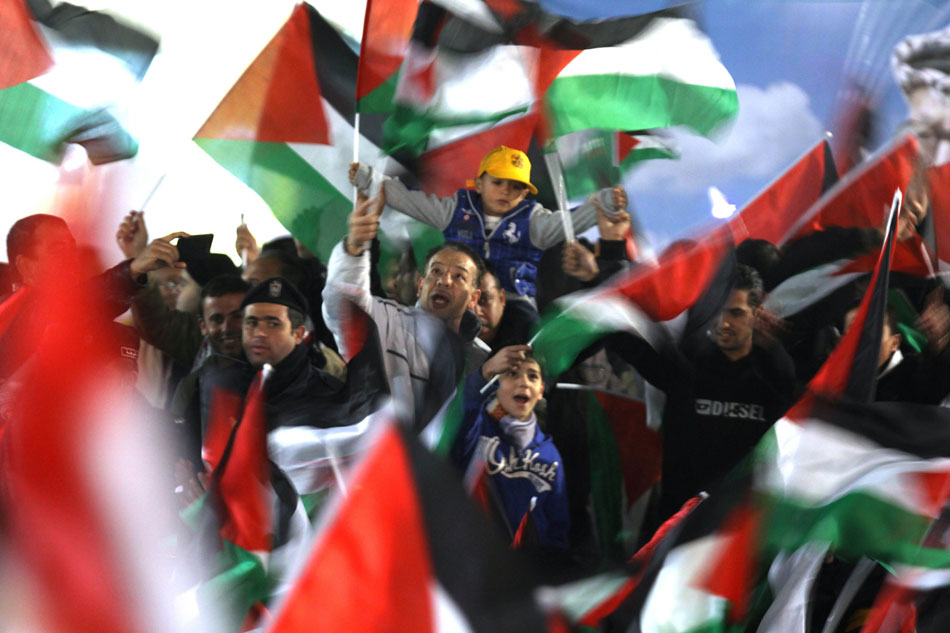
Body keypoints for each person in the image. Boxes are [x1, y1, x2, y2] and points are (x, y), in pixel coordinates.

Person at [349, 146, 628, 305]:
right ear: (479, 184)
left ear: (525, 194)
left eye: (516, 187)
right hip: (459, 302)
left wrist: (607, 202)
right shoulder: (453, 211)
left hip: (513, 304)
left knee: (523, 332)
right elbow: (409, 200)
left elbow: (573, 220)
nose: (506, 192)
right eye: (498, 182)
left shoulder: (535, 222)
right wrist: (368, 179)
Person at [323, 195, 490, 429]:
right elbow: (344, 307)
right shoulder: (388, 321)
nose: (444, 281)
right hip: (378, 454)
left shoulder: (482, 361)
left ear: (474, 297)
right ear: (421, 285)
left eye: (459, 276)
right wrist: (354, 249)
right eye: (436, 271)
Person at [451, 346, 569, 549]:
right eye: (512, 374)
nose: (523, 382)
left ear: (541, 390)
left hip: (524, 570)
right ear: (495, 384)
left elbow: (558, 526)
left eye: (532, 376)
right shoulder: (477, 427)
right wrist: (484, 372)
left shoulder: (551, 455)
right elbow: (459, 411)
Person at [475, 264, 537, 352]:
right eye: (465, 303)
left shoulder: (529, 331)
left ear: (502, 299)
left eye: (484, 300)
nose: (476, 312)